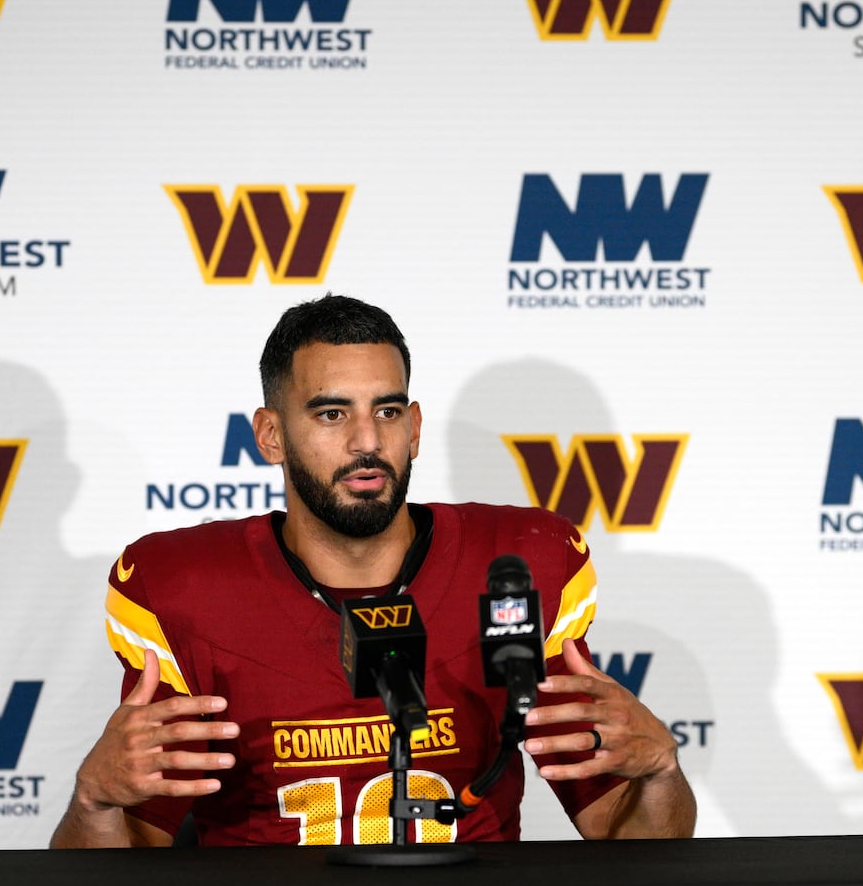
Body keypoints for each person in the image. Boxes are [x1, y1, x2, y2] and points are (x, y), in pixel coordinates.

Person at [51, 295, 694, 847]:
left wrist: (661, 770)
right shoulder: (185, 588)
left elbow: (625, 834)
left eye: (386, 412)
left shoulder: (519, 565)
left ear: (413, 428)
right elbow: (120, 873)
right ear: (270, 435)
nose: (366, 441)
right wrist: (94, 802)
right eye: (332, 414)